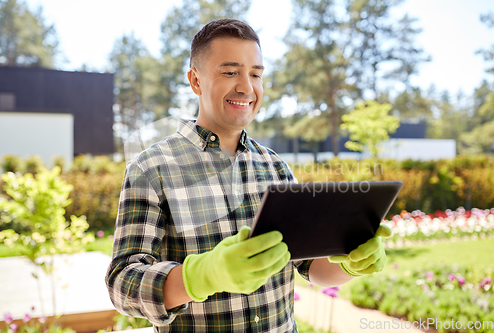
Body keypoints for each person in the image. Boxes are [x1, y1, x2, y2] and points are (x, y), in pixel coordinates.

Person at [105, 18, 391, 332]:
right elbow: (122, 283)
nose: (246, 86)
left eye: (255, 74)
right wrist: (203, 275)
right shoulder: (151, 169)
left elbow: (308, 265)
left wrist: (349, 262)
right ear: (196, 81)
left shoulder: (275, 167)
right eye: (230, 72)